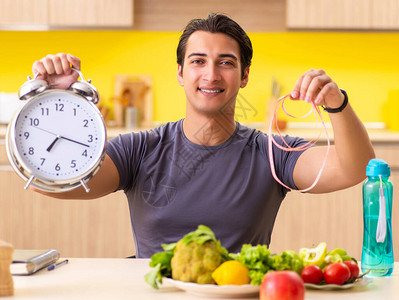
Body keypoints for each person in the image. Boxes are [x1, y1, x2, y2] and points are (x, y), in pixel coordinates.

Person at [31, 13, 375, 258]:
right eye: (198, 61)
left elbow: (354, 169)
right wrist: (54, 103)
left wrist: (337, 104)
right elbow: (50, 182)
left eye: (226, 62)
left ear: (243, 76)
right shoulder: (141, 148)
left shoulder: (272, 152)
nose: (211, 74)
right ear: (181, 73)